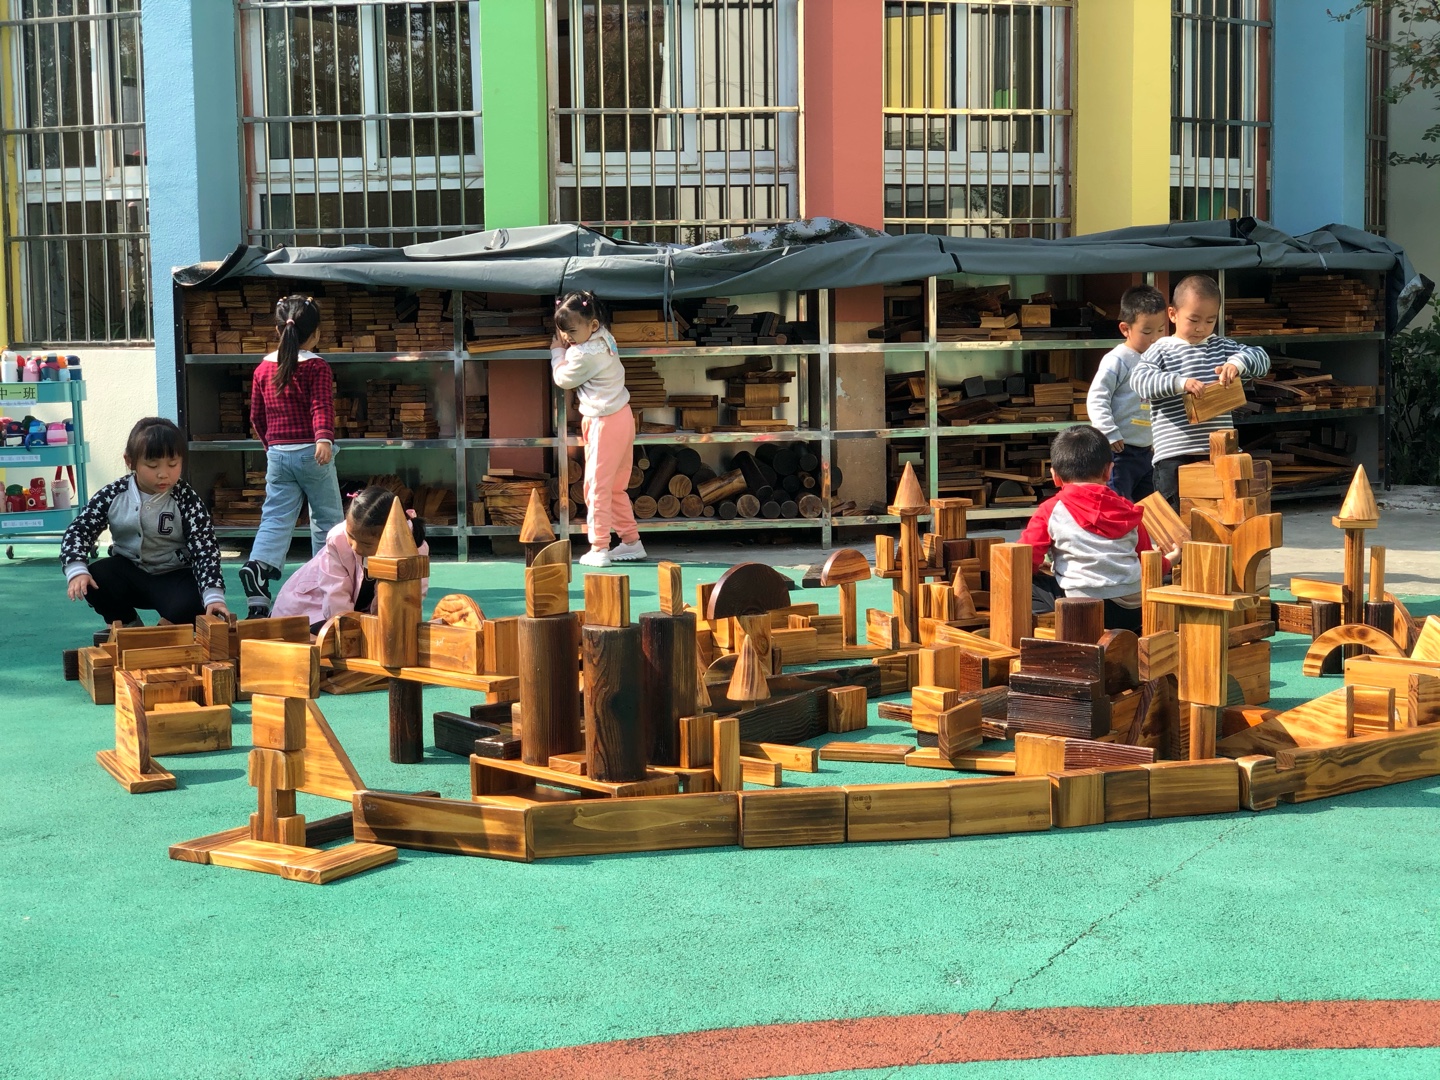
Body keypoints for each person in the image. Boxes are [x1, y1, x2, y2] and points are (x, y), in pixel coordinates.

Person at [61, 417, 229, 627]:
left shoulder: (186, 499)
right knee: (95, 578)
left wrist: (213, 595)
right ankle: (128, 624)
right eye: (152, 465)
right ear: (130, 461)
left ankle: (166, 628)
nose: (163, 474)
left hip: (174, 576)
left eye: (173, 464)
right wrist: (76, 568)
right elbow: (79, 530)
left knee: (196, 601)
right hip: (130, 574)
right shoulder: (113, 494)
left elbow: (205, 548)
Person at [240, 294, 345, 618]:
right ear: (315, 334)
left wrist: (270, 446)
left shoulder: (262, 369)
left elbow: (256, 416)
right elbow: (321, 405)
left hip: (278, 454)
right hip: (312, 452)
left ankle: (259, 567)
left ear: (278, 330)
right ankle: (324, 580)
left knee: (275, 517)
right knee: (327, 519)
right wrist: (323, 437)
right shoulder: (316, 366)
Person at [1130, 274, 1270, 509]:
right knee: (1175, 517)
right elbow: (1139, 380)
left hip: (1220, 454)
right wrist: (1180, 383)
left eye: (1210, 320)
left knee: (1220, 512)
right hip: (1174, 456)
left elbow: (1262, 358)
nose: (1201, 327)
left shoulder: (1223, 347)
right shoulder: (1161, 350)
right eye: (1193, 319)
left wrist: (1237, 364)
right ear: (1173, 314)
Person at [1020, 425, 1175, 633]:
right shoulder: (1129, 510)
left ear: (1054, 475)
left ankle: (1051, 629)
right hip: (1132, 611)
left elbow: (1025, 559)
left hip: (1080, 608)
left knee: (1023, 582)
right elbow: (1146, 561)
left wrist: (1040, 569)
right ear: (1108, 471)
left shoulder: (1051, 510)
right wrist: (1170, 560)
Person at [550, 290, 645, 567]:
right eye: (562, 331)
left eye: (571, 331)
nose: (566, 337)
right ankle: (631, 541)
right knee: (615, 487)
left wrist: (557, 352)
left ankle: (599, 547)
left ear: (592, 325)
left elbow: (563, 379)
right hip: (621, 416)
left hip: (604, 421)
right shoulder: (604, 336)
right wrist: (569, 343)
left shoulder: (584, 354)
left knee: (596, 487)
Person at [271, 486, 429, 634]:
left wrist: (386, 626)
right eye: (351, 536)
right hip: (312, 604)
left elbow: (411, 596)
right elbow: (335, 596)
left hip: (362, 611)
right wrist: (349, 630)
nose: (355, 547)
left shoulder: (414, 546)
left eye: (366, 544)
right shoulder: (337, 539)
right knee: (325, 634)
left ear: (388, 537)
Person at [1086, 284, 1168, 503]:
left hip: (1148, 452)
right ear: (1125, 329)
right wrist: (1108, 431)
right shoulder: (1117, 359)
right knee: (1118, 504)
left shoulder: (1159, 359)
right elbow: (1097, 397)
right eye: (1147, 332)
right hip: (1119, 451)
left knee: (1149, 507)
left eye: (1161, 330)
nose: (1155, 338)